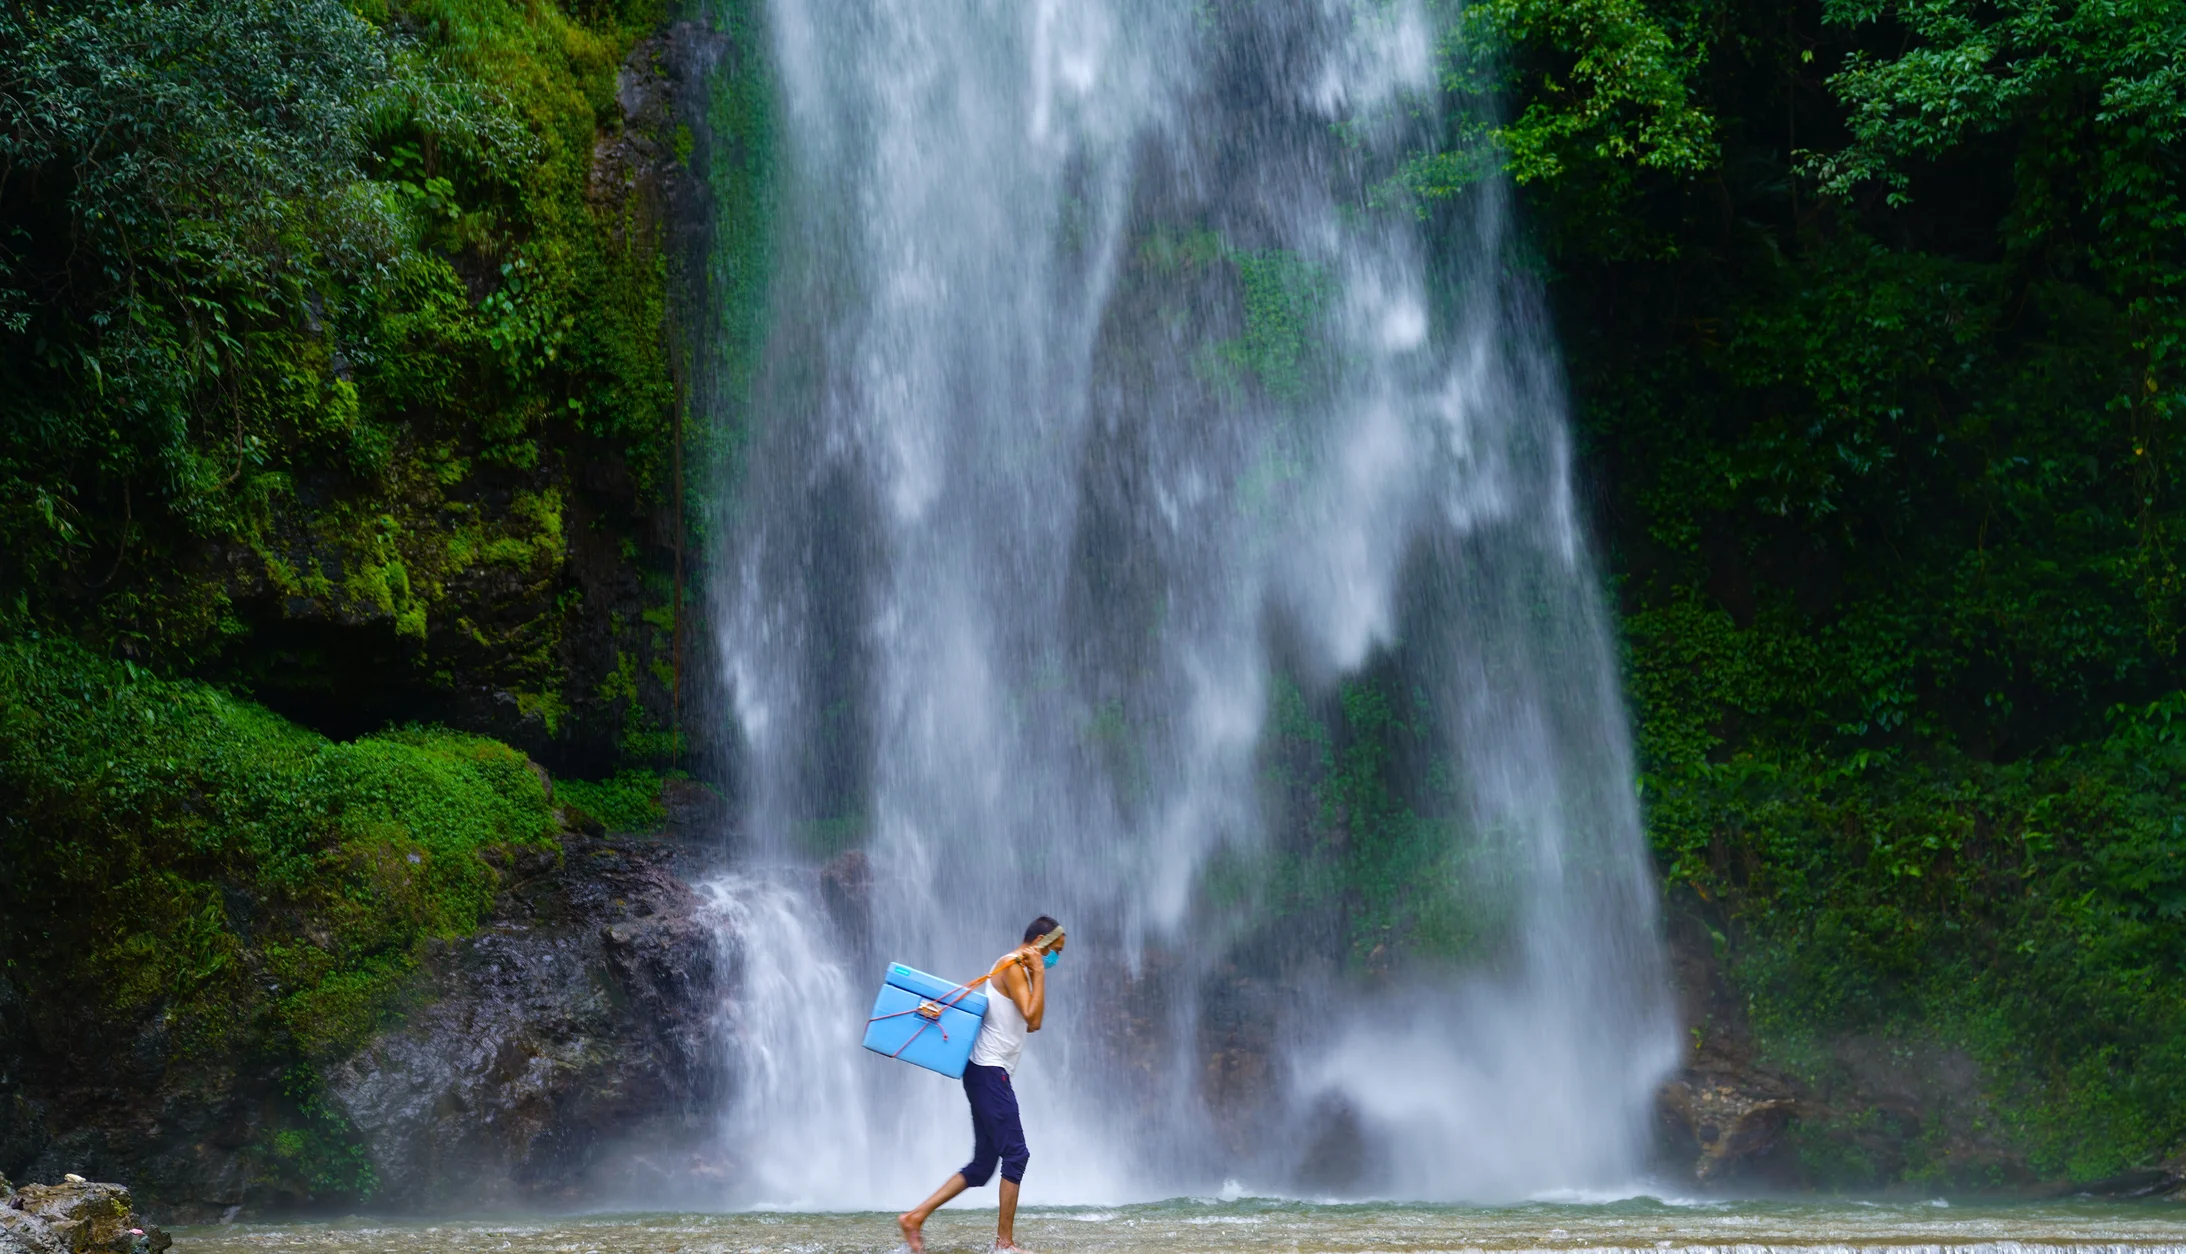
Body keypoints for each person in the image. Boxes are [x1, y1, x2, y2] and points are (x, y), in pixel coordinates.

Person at [898, 915, 1065, 1253]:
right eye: (1054, 951)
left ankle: (914, 1218)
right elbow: (1034, 1020)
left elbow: (1029, 1020)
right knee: (1016, 1154)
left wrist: (1037, 972)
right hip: (989, 1072)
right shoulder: (1012, 966)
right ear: (1039, 942)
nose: (1055, 958)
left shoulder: (1020, 968)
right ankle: (1004, 1244)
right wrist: (1040, 972)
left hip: (985, 1073)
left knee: (983, 1166)